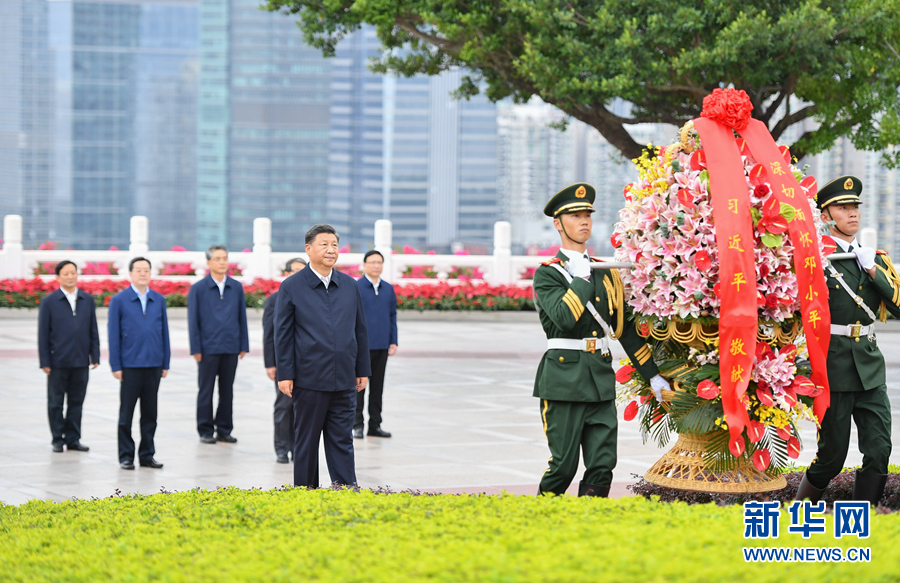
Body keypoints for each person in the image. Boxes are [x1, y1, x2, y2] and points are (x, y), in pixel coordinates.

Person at [533, 183, 669, 497]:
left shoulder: (605, 272)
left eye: (587, 215)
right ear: (558, 223)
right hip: (563, 380)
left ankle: (591, 525)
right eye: (575, 215)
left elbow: (625, 329)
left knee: (602, 463)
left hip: (599, 379)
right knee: (563, 464)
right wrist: (579, 278)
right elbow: (563, 318)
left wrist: (653, 376)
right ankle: (540, 520)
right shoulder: (549, 274)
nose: (584, 221)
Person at [794, 176, 900, 505]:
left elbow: (897, 308)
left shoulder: (875, 258)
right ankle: (799, 512)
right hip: (831, 366)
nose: (852, 213)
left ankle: (864, 518)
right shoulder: (815, 260)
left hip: (868, 366)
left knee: (880, 448)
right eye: (843, 207)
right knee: (831, 457)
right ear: (826, 217)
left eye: (855, 206)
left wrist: (874, 272)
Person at [274, 224, 371, 488]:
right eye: (324, 244)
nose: (331, 250)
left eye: (334, 245)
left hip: (344, 378)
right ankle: (306, 491)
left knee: (342, 438)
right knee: (307, 439)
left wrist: (362, 369)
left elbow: (359, 330)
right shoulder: (292, 286)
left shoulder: (349, 285)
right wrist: (286, 374)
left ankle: (345, 487)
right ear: (308, 249)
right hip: (309, 377)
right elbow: (282, 334)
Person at [107, 257, 170, 470]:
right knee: (126, 414)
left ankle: (146, 455)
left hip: (153, 364)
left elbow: (165, 334)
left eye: (146, 270)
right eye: (139, 270)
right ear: (131, 274)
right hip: (130, 365)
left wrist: (165, 362)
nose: (143, 273)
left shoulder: (158, 300)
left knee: (150, 414)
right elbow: (113, 335)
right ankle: (126, 456)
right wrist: (116, 365)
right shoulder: (119, 300)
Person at [188, 245, 249, 444]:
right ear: (208, 263)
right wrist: (196, 348)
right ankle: (205, 430)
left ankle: (224, 429)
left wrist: (243, 344)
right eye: (217, 258)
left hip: (231, 347)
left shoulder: (236, 287)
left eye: (224, 258)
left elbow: (242, 317)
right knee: (205, 390)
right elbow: (193, 320)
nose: (222, 262)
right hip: (207, 349)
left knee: (227, 391)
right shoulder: (198, 289)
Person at [38, 260, 100, 453]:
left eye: (73, 273)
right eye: (66, 273)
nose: (70, 276)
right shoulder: (49, 302)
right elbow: (43, 334)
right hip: (57, 362)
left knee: (76, 403)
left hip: (81, 360)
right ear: (58, 277)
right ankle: (58, 438)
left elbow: (93, 329)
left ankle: (73, 439)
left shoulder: (87, 300)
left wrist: (95, 355)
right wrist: (45, 361)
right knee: (55, 403)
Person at [263, 257, 307, 463]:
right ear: (287, 274)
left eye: (303, 271)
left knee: (303, 408)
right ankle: (281, 447)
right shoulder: (275, 299)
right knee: (284, 406)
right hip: (283, 362)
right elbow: (270, 335)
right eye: (295, 271)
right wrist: (270, 363)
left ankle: (298, 448)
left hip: (308, 363)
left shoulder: (311, 298)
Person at [354, 250, 398, 439]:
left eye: (379, 262)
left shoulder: (388, 289)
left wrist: (393, 340)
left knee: (377, 388)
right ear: (364, 265)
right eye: (372, 262)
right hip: (361, 348)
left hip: (381, 346)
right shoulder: (356, 287)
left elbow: (392, 316)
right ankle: (357, 425)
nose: (376, 266)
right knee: (359, 387)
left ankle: (375, 425)